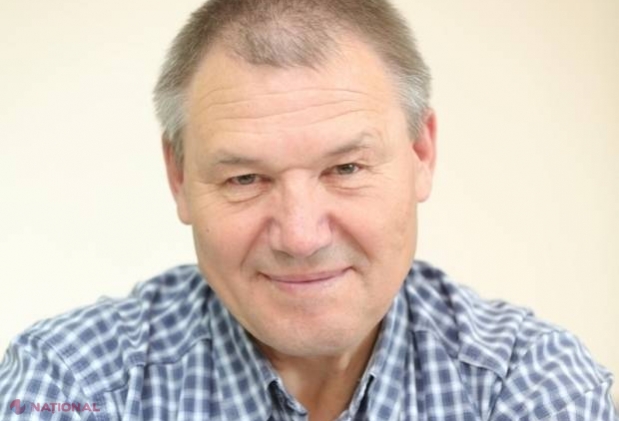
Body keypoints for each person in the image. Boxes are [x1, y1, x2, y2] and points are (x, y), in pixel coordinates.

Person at [1, 0, 616, 419]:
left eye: (345, 169)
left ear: (421, 153)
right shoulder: (74, 382)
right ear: (180, 177)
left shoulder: (530, 385)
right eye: (245, 178)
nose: (299, 236)